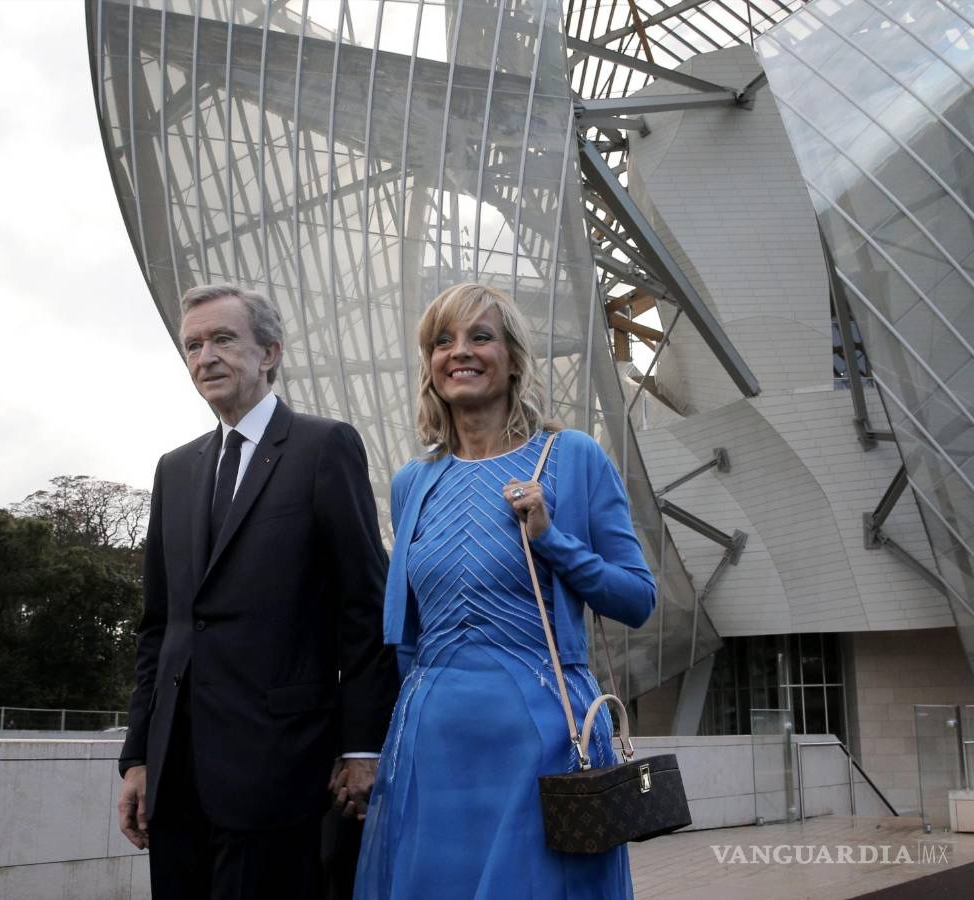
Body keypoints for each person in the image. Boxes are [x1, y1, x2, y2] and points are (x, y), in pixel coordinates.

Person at [354, 283, 657, 899]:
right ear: (430, 366)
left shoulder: (571, 456)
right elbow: (406, 633)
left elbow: (636, 598)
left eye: (479, 337)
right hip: (432, 741)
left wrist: (552, 539)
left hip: (543, 738)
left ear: (513, 358)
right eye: (443, 341)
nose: (459, 352)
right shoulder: (413, 481)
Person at [117, 284, 400, 900]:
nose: (204, 357)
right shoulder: (175, 469)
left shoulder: (324, 447)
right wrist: (138, 757)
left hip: (280, 767)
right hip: (177, 771)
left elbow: (365, 608)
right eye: (193, 345)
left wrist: (362, 748)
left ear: (270, 352)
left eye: (222, 339)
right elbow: (159, 626)